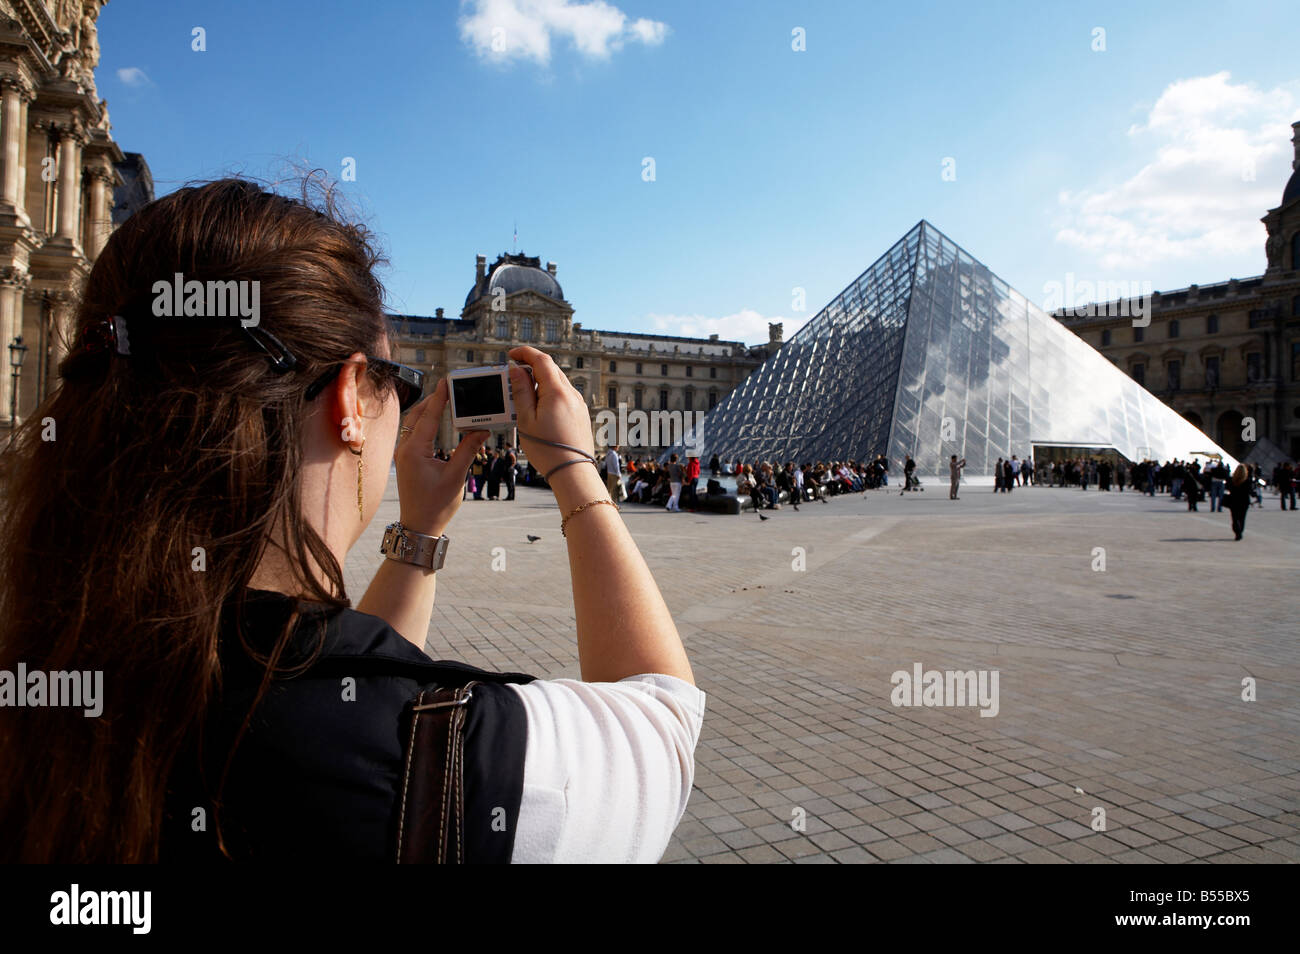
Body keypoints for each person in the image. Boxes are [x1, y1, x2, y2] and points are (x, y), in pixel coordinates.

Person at [0, 179, 703, 864]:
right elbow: (665, 724)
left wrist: (419, 536)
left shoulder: (56, 667)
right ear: (348, 398)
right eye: (398, 382)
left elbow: (334, 672)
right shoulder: (448, 755)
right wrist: (575, 469)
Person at [1225, 464, 1253, 540]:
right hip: (1244, 501)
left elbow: (1228, 488)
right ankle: (1240, 531)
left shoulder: (1232, 480)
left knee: (1234, 518)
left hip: (1233, 501)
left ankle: (1237, 531)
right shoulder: (1247, 480)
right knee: (1242, 518)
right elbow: (1250, 491)